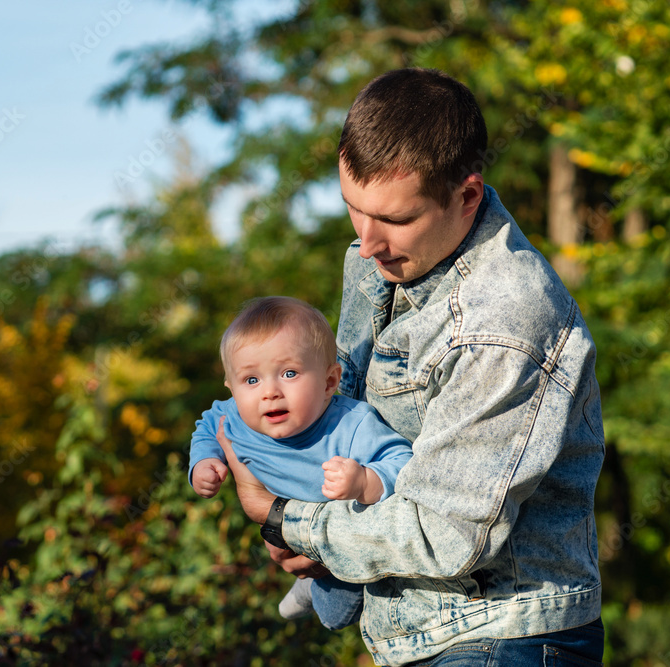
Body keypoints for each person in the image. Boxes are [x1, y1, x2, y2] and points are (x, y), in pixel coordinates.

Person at [215, 68, 607, 666]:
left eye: (396, 220)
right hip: (413, 630)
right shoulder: (376, 261)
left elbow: (446, 533)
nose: (368, 242)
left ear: (467, 196)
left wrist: (286, 520)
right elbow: (341, 410)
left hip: (502, 636)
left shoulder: (504, 323)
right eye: (353, 209)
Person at [189, 295, 413, 630]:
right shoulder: (232, 417)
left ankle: (313, 588)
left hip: (340, 536)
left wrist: (366, 480)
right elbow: (207, 424)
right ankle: (306, 584)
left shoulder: (351, 424)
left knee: (335, 614)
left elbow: (402, 461)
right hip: (286, 528)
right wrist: (204, 461)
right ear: (231, 388)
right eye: (251, 380)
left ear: (329, 382)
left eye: (289, 373)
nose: (270, 392)